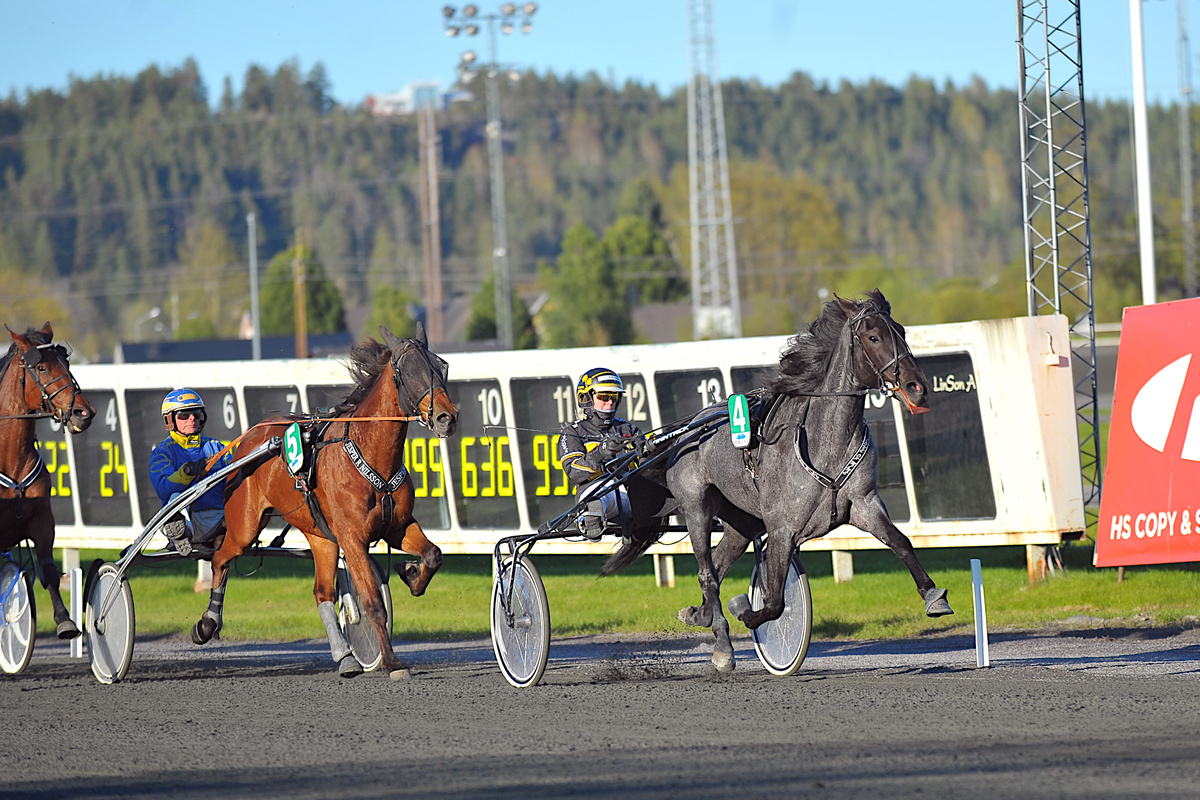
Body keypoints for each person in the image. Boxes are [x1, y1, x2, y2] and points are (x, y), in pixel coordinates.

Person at [558, 368, 646, 540]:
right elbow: (574, 473)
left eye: (614, 397)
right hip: (599, 491)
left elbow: (646, 464)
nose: (610, 402)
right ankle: (591, 516)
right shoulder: (573, 432)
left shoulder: (629, 429)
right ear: (586, 398)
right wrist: (601, 452)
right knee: (598, 499)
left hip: (634, 493)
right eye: (604, 397)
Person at [147, 388, 232, 559]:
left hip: (221, 520)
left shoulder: (218, 448)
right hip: (190, 521)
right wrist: (186, 473)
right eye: (184, 415)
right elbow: (163, 489)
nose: (192, 418)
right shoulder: (162, 453)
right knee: (174, 497)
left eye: (196, 413)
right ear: (170, 420)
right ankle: (180, 533)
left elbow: (235, 481)